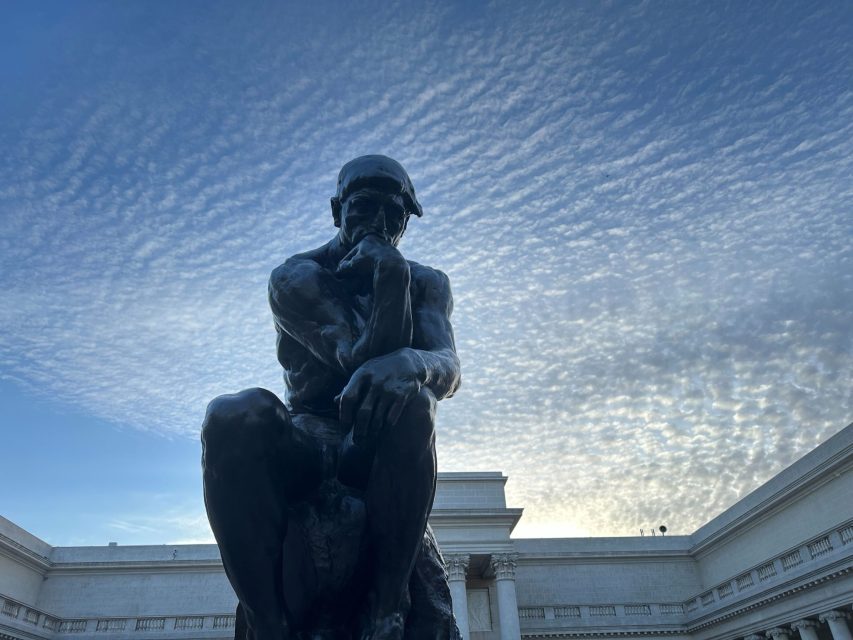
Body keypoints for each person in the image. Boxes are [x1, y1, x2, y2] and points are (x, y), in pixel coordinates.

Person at [201, 156, 461, 640]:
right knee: (233, 414)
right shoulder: (297, 276)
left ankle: (389, 606)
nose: (379, 224)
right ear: (336, 209)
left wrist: (412, 361)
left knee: (415, 403)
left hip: (370, 445)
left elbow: (446, 367)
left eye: (394, 213)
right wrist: (389, 274)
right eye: (364, 207)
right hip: (306, 444)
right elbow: (357, 362)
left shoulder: (429, 282)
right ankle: (266, 618)